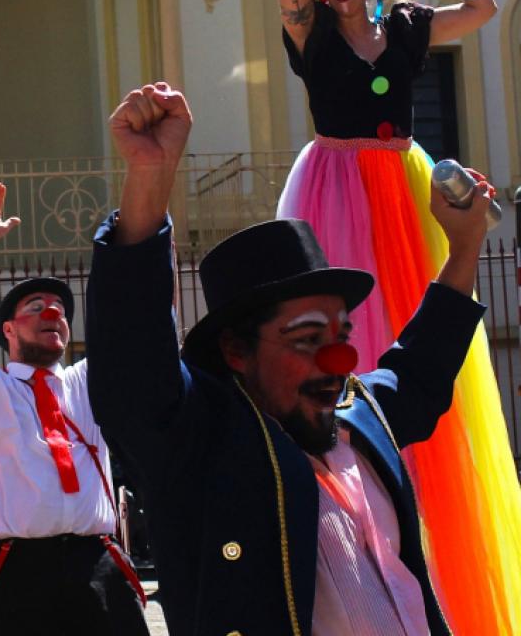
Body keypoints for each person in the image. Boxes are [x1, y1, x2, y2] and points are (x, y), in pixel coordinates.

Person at [87, 82, 493, 635]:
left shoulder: (358, 420)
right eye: (306, 338)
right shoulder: (204, 451)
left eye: (342, 333)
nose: (338, 358)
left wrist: (464, 246)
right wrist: (150, 178)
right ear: (236, 350)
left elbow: (418, 368)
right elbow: (134, 367)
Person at [269, 0, 520, 633]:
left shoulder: (408, 26)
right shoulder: (308, 29)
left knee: (422, 325)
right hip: (335, 185)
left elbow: (479, 9)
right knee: (354, 330)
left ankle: (440, 559)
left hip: (404, 187)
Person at [0, 181, 148, 636]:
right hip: (18, 573)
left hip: (99, 561)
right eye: (36, 307)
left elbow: (141, 323)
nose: (53, 312)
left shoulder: (87, 380)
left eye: (60, 309)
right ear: (8, 330)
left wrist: (145, 213)